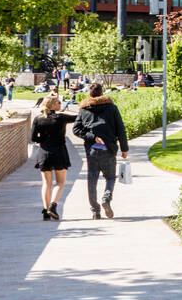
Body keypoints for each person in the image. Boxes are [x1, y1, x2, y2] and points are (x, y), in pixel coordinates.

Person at [72, 83, 130, 220]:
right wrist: (124, 149)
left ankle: (95, 211)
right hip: (108, 149)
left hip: (92, 150)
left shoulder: (84, 110)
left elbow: (76, 129)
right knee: (110, 177)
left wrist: (92, 137)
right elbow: (120, 129)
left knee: (92, 179)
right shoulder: (112, 108)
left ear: (89, 94)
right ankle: (106, 198)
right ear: (102, 92)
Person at [31, 93, 77, 220]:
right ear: (53, 105)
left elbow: (33, 138)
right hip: (59, 152)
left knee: (46, 183)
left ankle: (46, 211)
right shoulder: (61, 117)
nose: (60, 104)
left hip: (44, 152)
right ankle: (53, 205)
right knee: (60, 182)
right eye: (58, 102)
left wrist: (45, 139)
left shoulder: (38, 119)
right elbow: (77, 118)